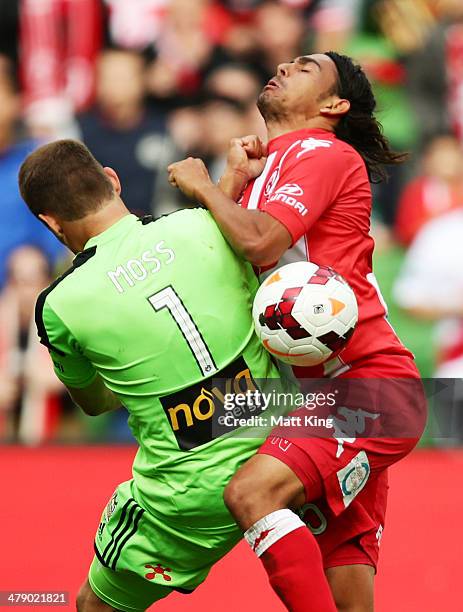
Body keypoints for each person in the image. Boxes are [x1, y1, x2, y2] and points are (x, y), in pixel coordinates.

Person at [18, 140, 335, 611]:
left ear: (50, 222)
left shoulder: (58, 305)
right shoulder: (204, 223)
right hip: (287, 444)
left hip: (186, 498)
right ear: (112, 178)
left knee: (93, 604)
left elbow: (95, 402)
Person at [167, 51, 427, 611]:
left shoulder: (322, 151)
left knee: (251, 492)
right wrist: (233, 179)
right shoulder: (270, 169)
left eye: (305, 68)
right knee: (347, 591)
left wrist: (203, 186)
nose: (284, 67)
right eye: (287, 63)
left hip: (365, 385)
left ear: (334, 105)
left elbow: (261, 242)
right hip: (312, 394)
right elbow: (224, 261)